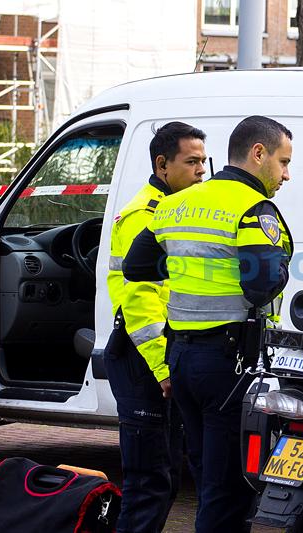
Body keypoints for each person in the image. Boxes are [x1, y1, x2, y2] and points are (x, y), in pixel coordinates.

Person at [123, 115, 293, 533]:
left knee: (206, 476)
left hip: (182, 361)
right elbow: (262, 285)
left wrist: (188, 272)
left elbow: (136, 265)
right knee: (229, 491)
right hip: (229, 365)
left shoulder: (174, 204)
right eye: (283, 162)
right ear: (258, 154)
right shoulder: (253, 208)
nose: (286, 175)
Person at [104, 121, 205, 533]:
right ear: (162, 165)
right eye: (192, 161)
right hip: (143, 358)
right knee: (149, 483)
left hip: (167, 354)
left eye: (204, 160)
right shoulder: (142, 217)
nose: (202, 170)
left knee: (163, 481)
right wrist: (164, 369)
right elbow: (140, 305)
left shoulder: (179, 212)